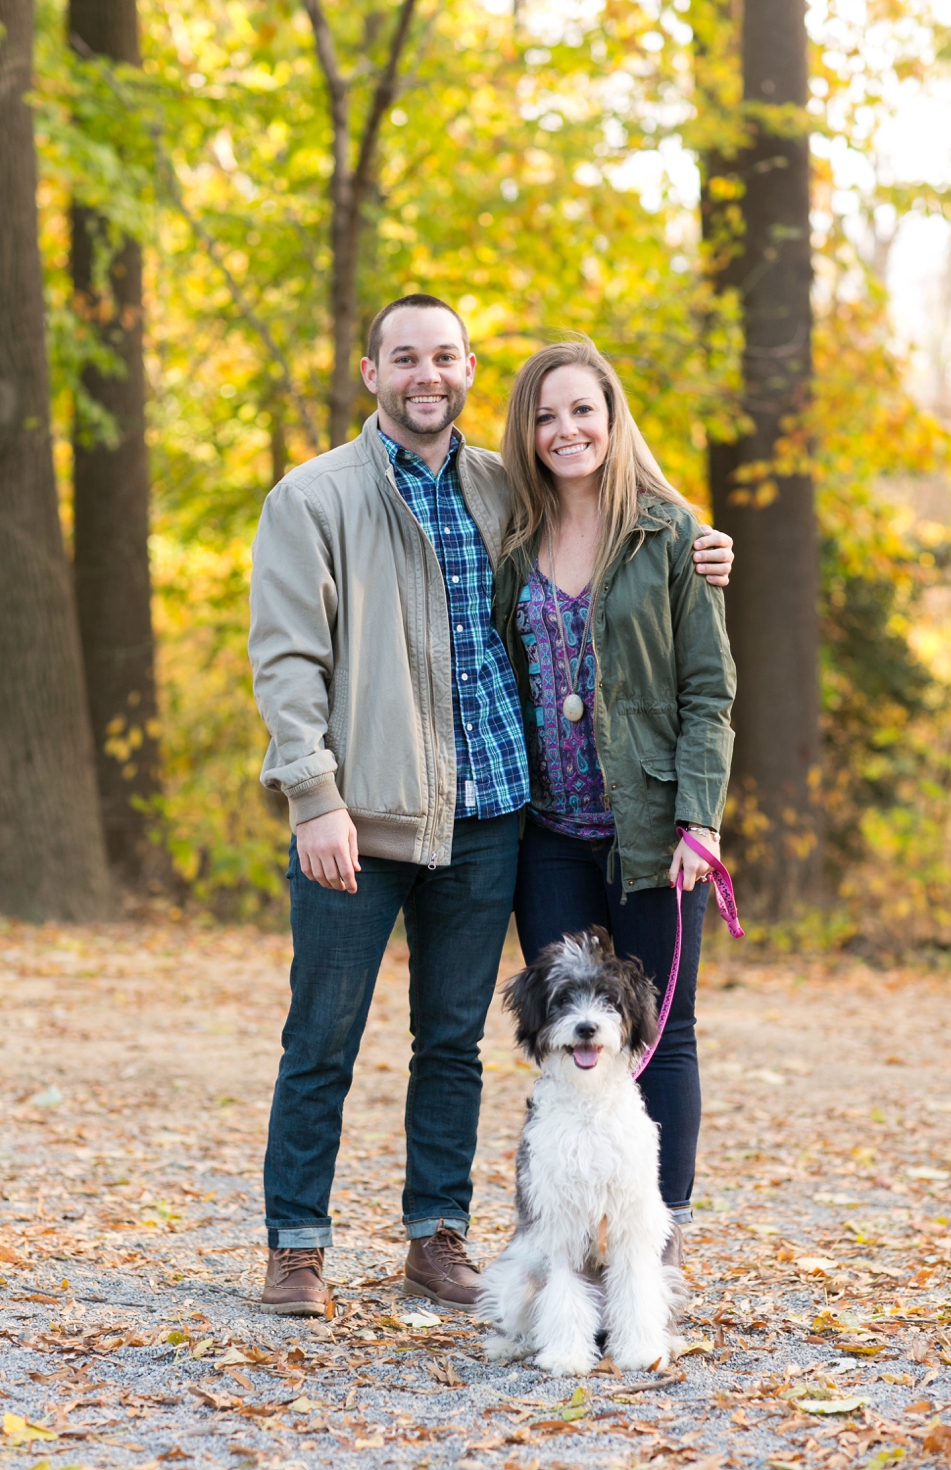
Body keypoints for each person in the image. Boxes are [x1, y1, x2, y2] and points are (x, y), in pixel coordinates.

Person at [248, 296, 734, 1315]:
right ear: (370, 368)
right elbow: (287, 659)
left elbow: (654, 589)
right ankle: (296, 1244)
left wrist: (706, 550)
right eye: (403, 358)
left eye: (442, 358)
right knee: (322, 1035)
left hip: (496, 816)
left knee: (455, 1036)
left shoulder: (501, 490)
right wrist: (311, 792)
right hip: (382, 813)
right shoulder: (318, 497)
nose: (425, 375)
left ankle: (444, 1235)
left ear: (466, 369)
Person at [494, 338, 736, 1263]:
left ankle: (654, 1240)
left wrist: (699, 821)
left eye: (582, 411)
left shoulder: (673, 536)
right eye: (547, 416)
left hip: (651, 832)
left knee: (661, 1032)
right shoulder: (513, 539)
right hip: (547, 833)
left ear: (611, 417)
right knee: (568, 1029)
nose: (566, 431)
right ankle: (566, 1242)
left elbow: (709, 692)